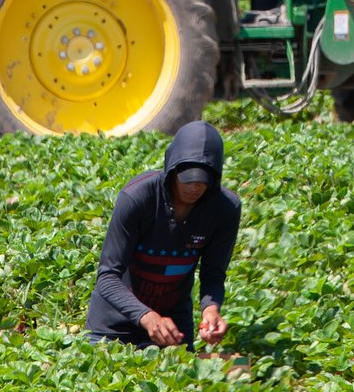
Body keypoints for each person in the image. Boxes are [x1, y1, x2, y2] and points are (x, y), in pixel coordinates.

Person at [85, 121, 241, 348]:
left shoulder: (225, 208)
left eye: (202, 182)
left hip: (173, 330)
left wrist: (211, 309)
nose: (194, 188)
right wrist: (148, 318)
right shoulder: (137, 198)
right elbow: (108, 277)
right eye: (187, 179)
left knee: (188, 380)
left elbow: (213, 274)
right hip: (111, 328)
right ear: (171, 170)